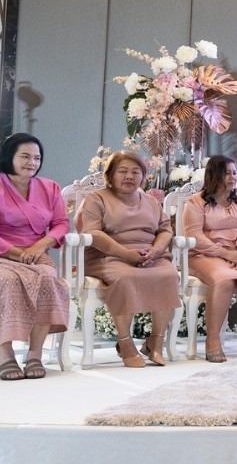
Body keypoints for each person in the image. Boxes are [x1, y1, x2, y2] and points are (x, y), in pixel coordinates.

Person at [0, 133, 70, 381]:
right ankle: (4, 354)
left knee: (48, 279)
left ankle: (35, 353)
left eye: (37, 158)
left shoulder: (50, 188)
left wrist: (40, 246)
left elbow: (61, 224)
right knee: (7, 280)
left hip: (34, 254)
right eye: (25, 156)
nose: (32, 162)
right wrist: (19, 253)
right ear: (8, 156)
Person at [77, 151, 180, 367]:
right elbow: (92, 233)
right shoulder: (96, 198)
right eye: (122, 171)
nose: (129, 176)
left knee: (169, 274)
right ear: (110, 175)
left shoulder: (151, 201)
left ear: (143, 176)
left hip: (149, 255)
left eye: (135, 172)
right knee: (124, 277)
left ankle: (155, 341)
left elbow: (165, 230)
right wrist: (125, 254)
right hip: (107, 255)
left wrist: (156, 250)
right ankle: (125, 342)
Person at [182, 155, 237, 362]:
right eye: (227, 173)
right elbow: (195, 236)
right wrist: (226, 254)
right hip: (203, 254)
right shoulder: (196, 202)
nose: (232, 177)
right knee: (224, 281)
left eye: (234, 173)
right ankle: (212, 341)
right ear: (214, 175)